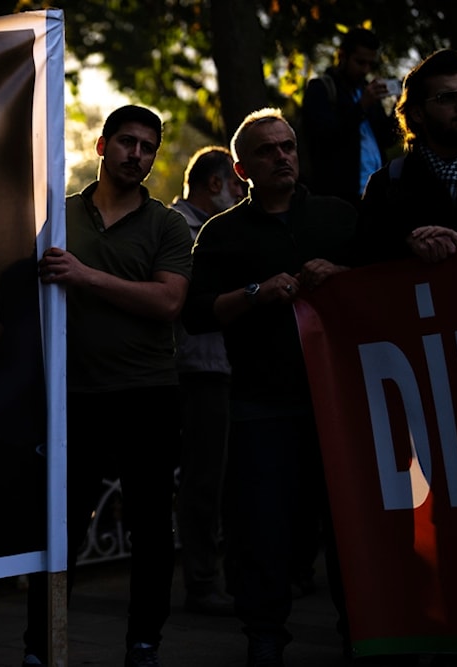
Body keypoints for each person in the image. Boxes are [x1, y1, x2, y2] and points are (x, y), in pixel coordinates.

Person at [183, 108, 357, 667]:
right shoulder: (222, 232)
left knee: (350, 525)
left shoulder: (338, 218)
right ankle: (264, 634)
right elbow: (198, 314)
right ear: (242, 167)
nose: (281, 156)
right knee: (263, 525)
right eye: (267, 150)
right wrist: (256, 293)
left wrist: (344, 277)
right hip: (261, 403)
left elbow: (386, 287)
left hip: (343, 401)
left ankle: (363, 631)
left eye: (287, 146)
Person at [29, 105, 193, 667]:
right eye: (127, 142)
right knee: (61, 528)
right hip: (72, 396)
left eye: (148, 148)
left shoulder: (166, 225)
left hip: (147, 393)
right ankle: (39, 646)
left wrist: (85, 276)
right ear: (102, 147)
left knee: (150, 529)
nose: (137, 156)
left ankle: (143, 643)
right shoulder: (56, 215)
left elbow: (169, 301)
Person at [169, 145, 243, 616]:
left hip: (215, 365)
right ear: (215, 184)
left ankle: (214, 578)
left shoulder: (202, 228)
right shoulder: (182, 230)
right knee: (202, 480)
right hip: (198, 366)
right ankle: (201, 582)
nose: (240, 194)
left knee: (216, 478)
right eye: (235, 186)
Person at [358, 48, 457, 265]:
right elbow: (362, 264)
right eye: (446, 98)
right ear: (417, 113)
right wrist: (406, 244)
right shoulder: (387, 185)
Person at [301, 27, 399, 206]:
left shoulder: (367, 91)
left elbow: (386, 138)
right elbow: (325, 137)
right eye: (360, 62)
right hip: (339, 198)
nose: (365, 70)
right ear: (342, 56)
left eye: (370, 64)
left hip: (377, 194)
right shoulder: (321, 89)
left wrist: (399, 108)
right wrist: (361, 107)